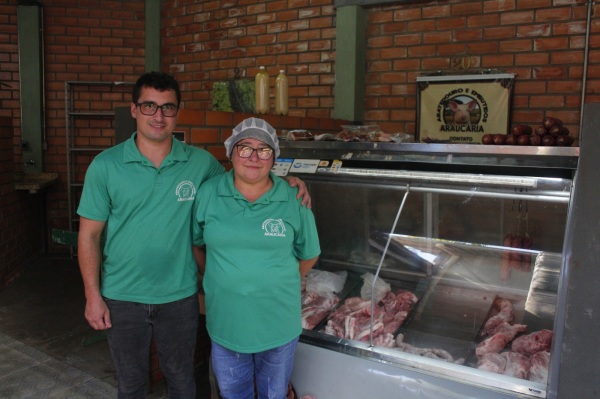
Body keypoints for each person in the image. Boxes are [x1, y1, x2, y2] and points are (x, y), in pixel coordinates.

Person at [77, 72, 311, 398]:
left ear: (177, 113)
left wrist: (290, 181)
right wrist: (93, 295)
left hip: (180, 295)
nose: (158, 116)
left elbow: (246, 178)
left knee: (182, 380)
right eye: (149, 106)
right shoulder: (106, 166)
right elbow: (88, 236)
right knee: (130, 385)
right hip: (122, 296)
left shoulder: (200, 164)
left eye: (167, 108)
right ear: (134, 110)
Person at [193, 117, 320, 399]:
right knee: (233, 394)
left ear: (274, 157)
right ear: (230, 152)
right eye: (244, 147)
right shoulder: (208, 193)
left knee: (272, 395)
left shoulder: (293, 198)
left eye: (263, 149)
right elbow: (196, 245)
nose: (253, 157)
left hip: (277, 325)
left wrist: (277, 279)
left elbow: (309, 255)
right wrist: (215, 276)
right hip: (226, 323)